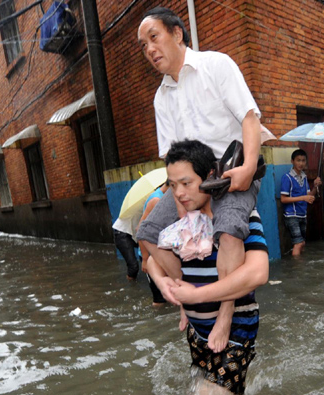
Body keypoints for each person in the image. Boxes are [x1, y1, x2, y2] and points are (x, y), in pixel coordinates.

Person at [136, 6, 263, 352]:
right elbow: (170, 157)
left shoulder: (216, 65)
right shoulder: (161, 97)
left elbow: (249, 119)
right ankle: (186, 298)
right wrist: (179, 200)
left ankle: (225, 311)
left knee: (229, 229)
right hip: (188, 181)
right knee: (147, 233)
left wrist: (248, 168)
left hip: (230, 173)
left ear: (177, 33)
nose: (149, 49)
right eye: (144, 45)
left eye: (154, 37)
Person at [145, 140, 268, 395]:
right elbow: (152, 261)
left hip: (236, 329)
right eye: (172, 185)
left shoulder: (239, 217)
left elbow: (258, 273)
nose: (179, 193)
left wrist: (195, 296)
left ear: (209, 176)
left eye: (186, 183)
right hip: (198, 333)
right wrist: (165, 285)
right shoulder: (183, 223)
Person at [280, 149, 322, 256]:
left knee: (302, 243)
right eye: (298, 160)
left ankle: (301, 264)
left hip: (302, 214)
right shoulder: (287, 178)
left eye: (303, 160)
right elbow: (283, 199)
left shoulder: (304, 177)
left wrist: (315, 186)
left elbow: (309, 195)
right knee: (298, 244)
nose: (301, 163)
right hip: (292, 215)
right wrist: (303, 198)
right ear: (292, 161)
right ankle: (296, 265)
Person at [138, 182, 168, 305]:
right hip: (150, 253)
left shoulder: (162, 198)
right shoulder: (156, 200)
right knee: (159, 299)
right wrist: (145, 258)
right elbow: (140, 229)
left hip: (159, 251)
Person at [112, 209, 144, 283]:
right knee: (133, 267)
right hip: (122, 233)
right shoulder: (146, 205)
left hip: (134, 234)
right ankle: (132, 285)